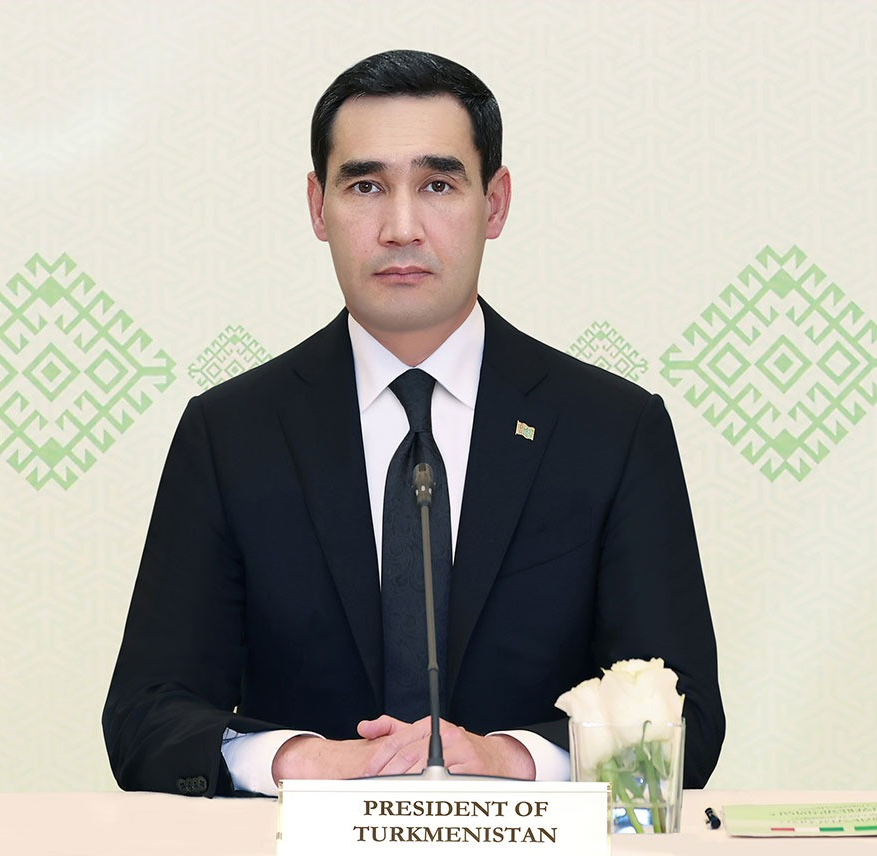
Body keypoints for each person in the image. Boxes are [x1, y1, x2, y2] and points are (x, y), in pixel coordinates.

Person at [102, 49, 724, 798]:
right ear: (317, 207)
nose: (401, 227)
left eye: (437, 185)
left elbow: (687, 719)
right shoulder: (232, 433)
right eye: (365, 186)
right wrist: (308, 762)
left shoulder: (611, 430)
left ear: (495, 204)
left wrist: (513, 760)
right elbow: (145, 718)